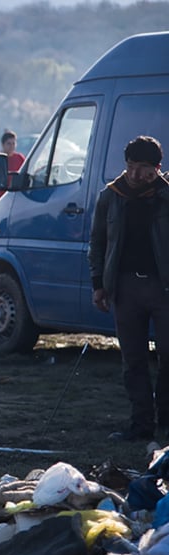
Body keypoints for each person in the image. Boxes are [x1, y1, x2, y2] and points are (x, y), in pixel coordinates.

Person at [88, 135, 169, 442]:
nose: (135, 175)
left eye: (144, 168)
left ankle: (166, 420)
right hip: (125, 288)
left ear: (157, 168)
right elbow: (97, 242)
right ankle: (140, 424)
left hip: (164, 289)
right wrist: (98, 284)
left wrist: (161, 188)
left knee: (168, 354)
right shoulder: (111, 196)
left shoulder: (165, 195)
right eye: (131, 166)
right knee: (132, 360)